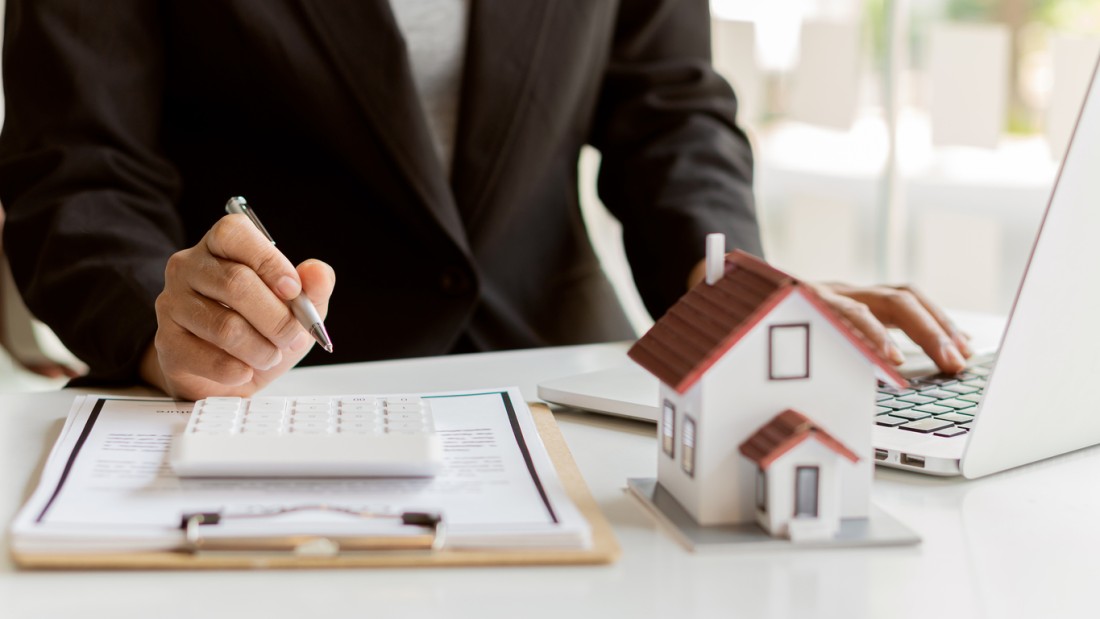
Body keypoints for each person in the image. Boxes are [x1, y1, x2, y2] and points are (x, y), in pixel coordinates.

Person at [0, 1, 970, 401]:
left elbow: (667, 112)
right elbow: (78, 162)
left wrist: (726, 284)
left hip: (563, 382)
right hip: (265, 399)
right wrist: (156, 323)